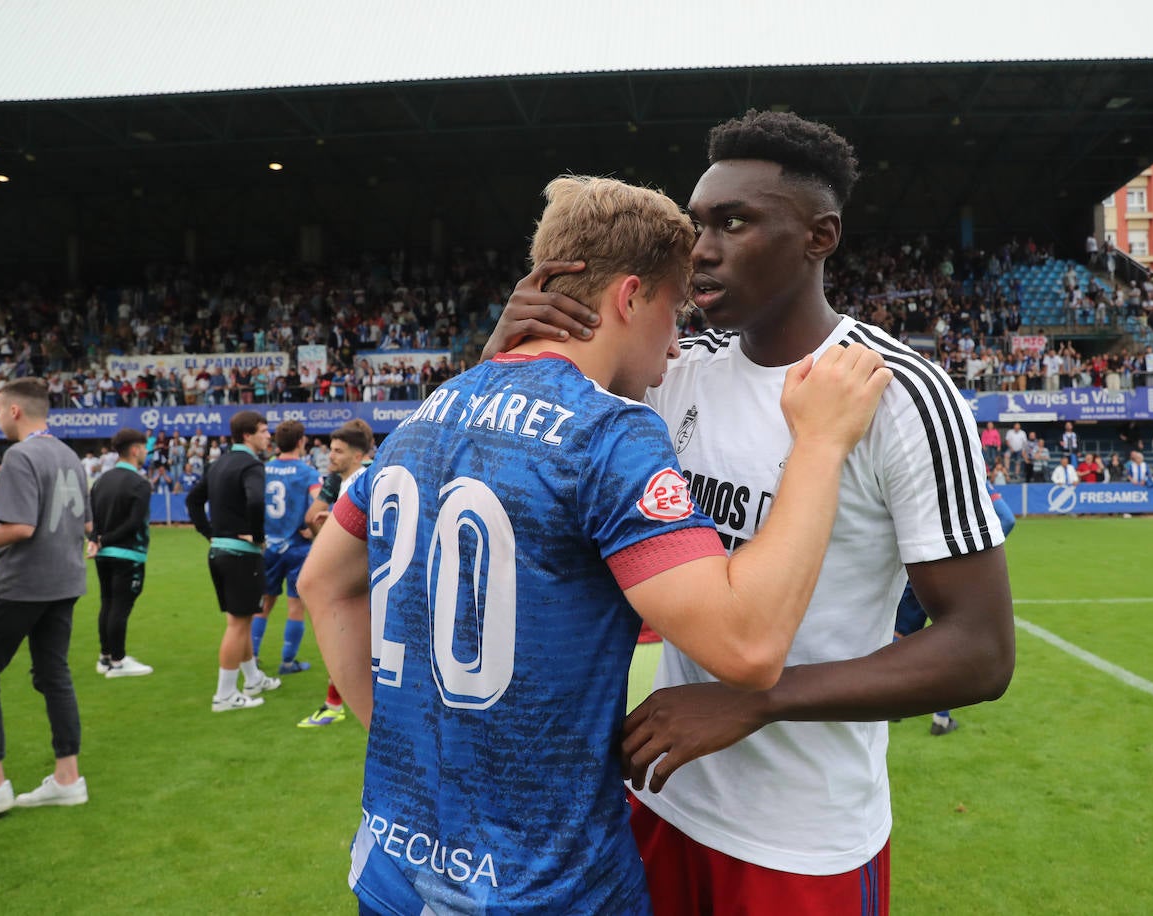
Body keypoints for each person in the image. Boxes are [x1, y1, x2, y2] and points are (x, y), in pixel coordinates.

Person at [298, 174, 893, 914]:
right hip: (549, 888)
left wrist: (405, 756)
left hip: (393, 871)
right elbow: (747, 646)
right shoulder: (610, 431)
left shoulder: (430, 410)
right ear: (631, 297)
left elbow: (322, 582)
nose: (677, 345)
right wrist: (822, 441)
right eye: (673, 312)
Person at [486, 111, 1013, 913]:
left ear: (819, 237)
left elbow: (981, 650)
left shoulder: (895, 392)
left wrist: (760, 698)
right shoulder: (670, 372)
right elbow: (497, 463)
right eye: (698, 225)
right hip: (656, 799)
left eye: (734, 222)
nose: (701, 248)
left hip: (803, 843)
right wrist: (508, 350)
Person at [0, 378, 92, 817]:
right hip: (64, 581)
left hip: (21, 584)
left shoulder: (20, 455)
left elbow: (19, 528)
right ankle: (67, 778)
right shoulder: (69, 455)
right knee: (53, 674)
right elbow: (81, 524)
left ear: (15, 411)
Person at [894, 483, 1016, 736]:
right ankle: (939, 719)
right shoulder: (964, 468)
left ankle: (892, 705)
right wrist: (969, 554)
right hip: (949, 575)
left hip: (911, 572)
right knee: (946, 642)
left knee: (901, 636)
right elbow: (1006, 518)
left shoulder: (916, 470)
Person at [185, 411, 282, 712]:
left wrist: (209, 532)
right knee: (239, 625)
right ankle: (225, 695)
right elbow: (255, 501)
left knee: (240, 620)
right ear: (247, 435)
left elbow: (192, 500)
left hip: (219, 551)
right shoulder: (252, 464)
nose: (269, 436)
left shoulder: (218, 463)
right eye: (264, 431)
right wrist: (257, 536)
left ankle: (252, 678)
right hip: (241, 554)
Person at [296, 419, 374, 729]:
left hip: (363, 577)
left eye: (339, 451)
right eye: (331, 450)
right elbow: (311, 518)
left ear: (358, 456)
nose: (331, 456)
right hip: (346, 573)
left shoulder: (369, 480)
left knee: (347, 636)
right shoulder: (338, 481)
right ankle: (334, 703)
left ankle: (337, 706)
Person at [253, 420, 321, 675]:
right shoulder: (308, 473)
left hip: (268, 547)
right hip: (297, 548)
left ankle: (253, 656)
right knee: (295, 606)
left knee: (264, 603)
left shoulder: (264, 470)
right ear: (301, 441)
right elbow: (319, 504)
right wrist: (310, 522)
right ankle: (287, 662)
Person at [88, 428, 154, 678]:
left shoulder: (102, 481)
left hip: (104, 555)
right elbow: (135, 522)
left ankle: (105, 656)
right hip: (128, 553)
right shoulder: (140, 483)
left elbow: (93, 518)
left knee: (107, 603)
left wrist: (97, 540)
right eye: (144, 448)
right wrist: (105, 539)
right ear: (135, 450)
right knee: (120, 607)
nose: (146, 453)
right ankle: (118, 661)